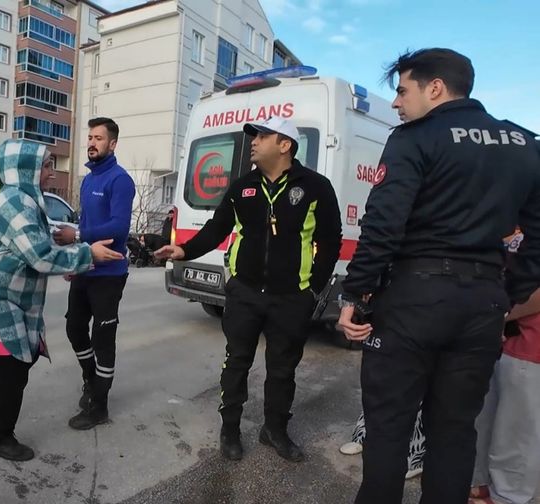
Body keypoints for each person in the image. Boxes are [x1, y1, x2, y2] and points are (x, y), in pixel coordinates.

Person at [337, 48, 540, 504]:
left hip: (413, 300)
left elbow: (383, 224)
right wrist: (509, 294)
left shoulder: (414, 138)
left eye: (402, 90)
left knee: (388, 428)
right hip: (482, 303)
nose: (396, 103)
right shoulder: (525, 144)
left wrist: (355, 292)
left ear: (435, 88)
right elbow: (537, 236)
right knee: (454, 432)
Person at [155, 116, 342, 462]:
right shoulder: (243, 187)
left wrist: (313, 291)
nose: (253, 141)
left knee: (283, 369)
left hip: (291, 298)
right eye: (254, 136)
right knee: (236, 363)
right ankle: (230, 429)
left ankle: (275, 430)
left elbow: (330, 242)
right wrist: (184, 251)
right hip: (244, 294)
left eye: (262, 136)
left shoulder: (316, 187)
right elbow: (217, 228)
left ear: (285, 145)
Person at [0, 139, 123, 462]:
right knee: (13, 367)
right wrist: (88, 255)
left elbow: (36, 244)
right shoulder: (16, 203)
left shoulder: (24, 199)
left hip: (8, 295)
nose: (51, 172)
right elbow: (40, 256)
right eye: (46, 166)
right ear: (26, 169)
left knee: (22, 359)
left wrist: (70, 254)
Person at [53, 117, 135, 430]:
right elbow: (88, 224)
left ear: (112, 144)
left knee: (103, 337)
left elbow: (119, 227)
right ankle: (91, 380)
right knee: (74, 328)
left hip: (110, 272)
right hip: (86, 267)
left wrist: (76, 235)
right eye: (90, 137)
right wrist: (76, 259)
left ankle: (100, 405)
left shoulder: (120, 180)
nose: (91, 143)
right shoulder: (88, 180)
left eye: (98, 138)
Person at [470, 231, 540, 504]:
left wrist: (501, 315)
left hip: (530, 344)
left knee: (518, 431)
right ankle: (486, 484)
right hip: (500, 341)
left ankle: (509, 497)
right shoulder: (516, 222)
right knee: (488, 422)